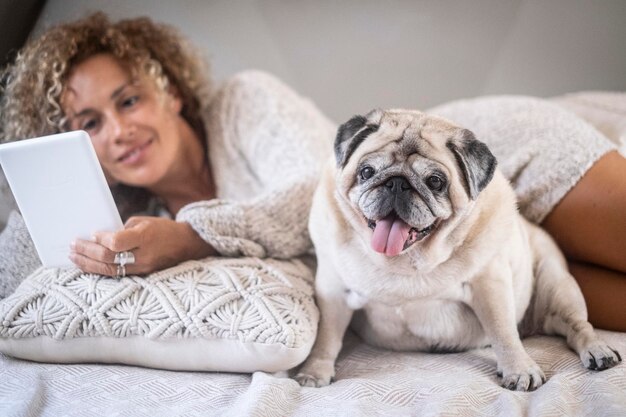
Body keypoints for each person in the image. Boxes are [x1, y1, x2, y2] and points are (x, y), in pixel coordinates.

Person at [0, 13, 624, 334]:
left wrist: (193, 237)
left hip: (474, 157)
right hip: (447, 254)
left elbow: (319, 190)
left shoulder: (243, 101)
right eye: (88, 123)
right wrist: (47, 174)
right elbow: (12, 279)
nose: (118, 130)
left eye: (129, 100)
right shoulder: (139, 221)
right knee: (577, 306)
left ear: (170, 92)